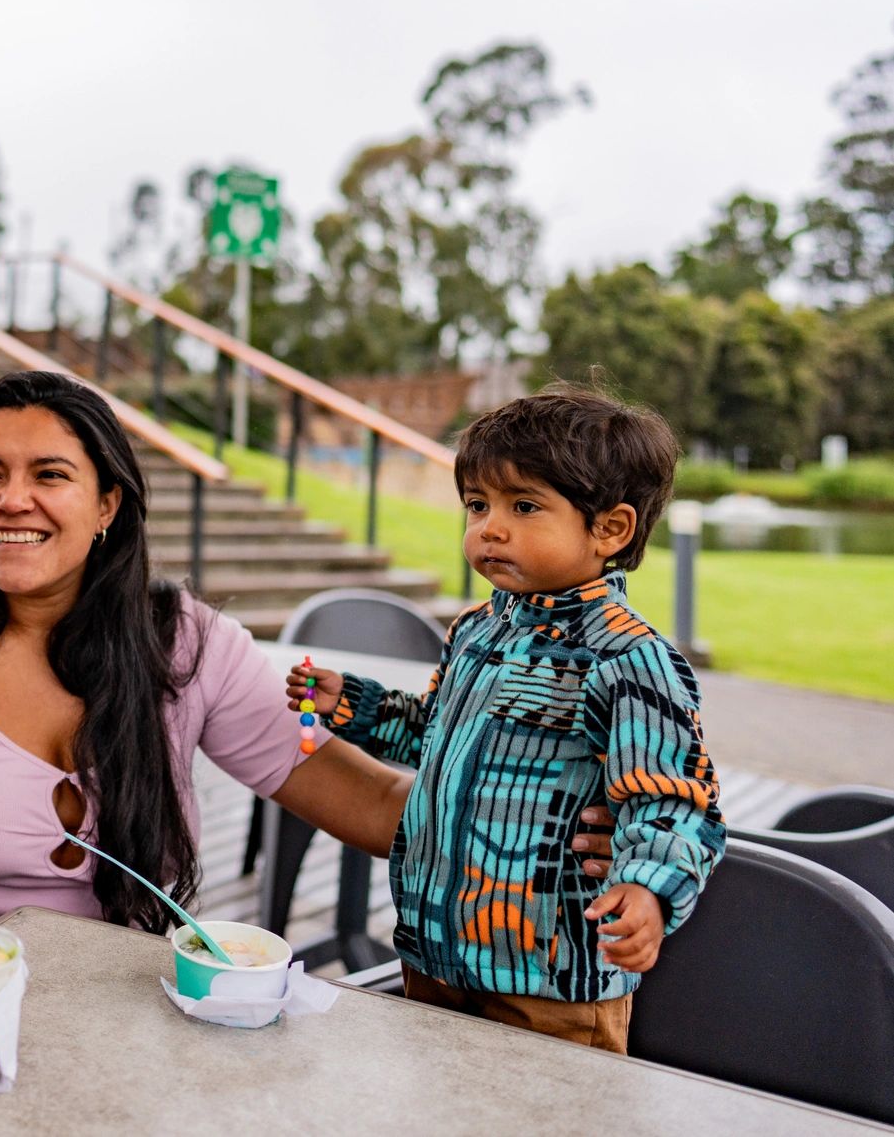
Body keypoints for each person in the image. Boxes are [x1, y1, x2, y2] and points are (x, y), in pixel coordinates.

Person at [0, 371, 618, 1063]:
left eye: (49, 475)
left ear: (106, 507)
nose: (12, 500)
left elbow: (372, 806)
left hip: (89, 983)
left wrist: (551, 822)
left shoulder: (182, 643)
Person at [287, 384, 724, 1052]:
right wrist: (349, 702)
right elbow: (430, 731)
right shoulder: (474, 632)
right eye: (476, 505)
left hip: (547, 982)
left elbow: (671, 800)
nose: (489, 527)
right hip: (434, 954)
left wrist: (646, 887)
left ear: (609, 529)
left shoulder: (628, 659)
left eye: (523, 506)